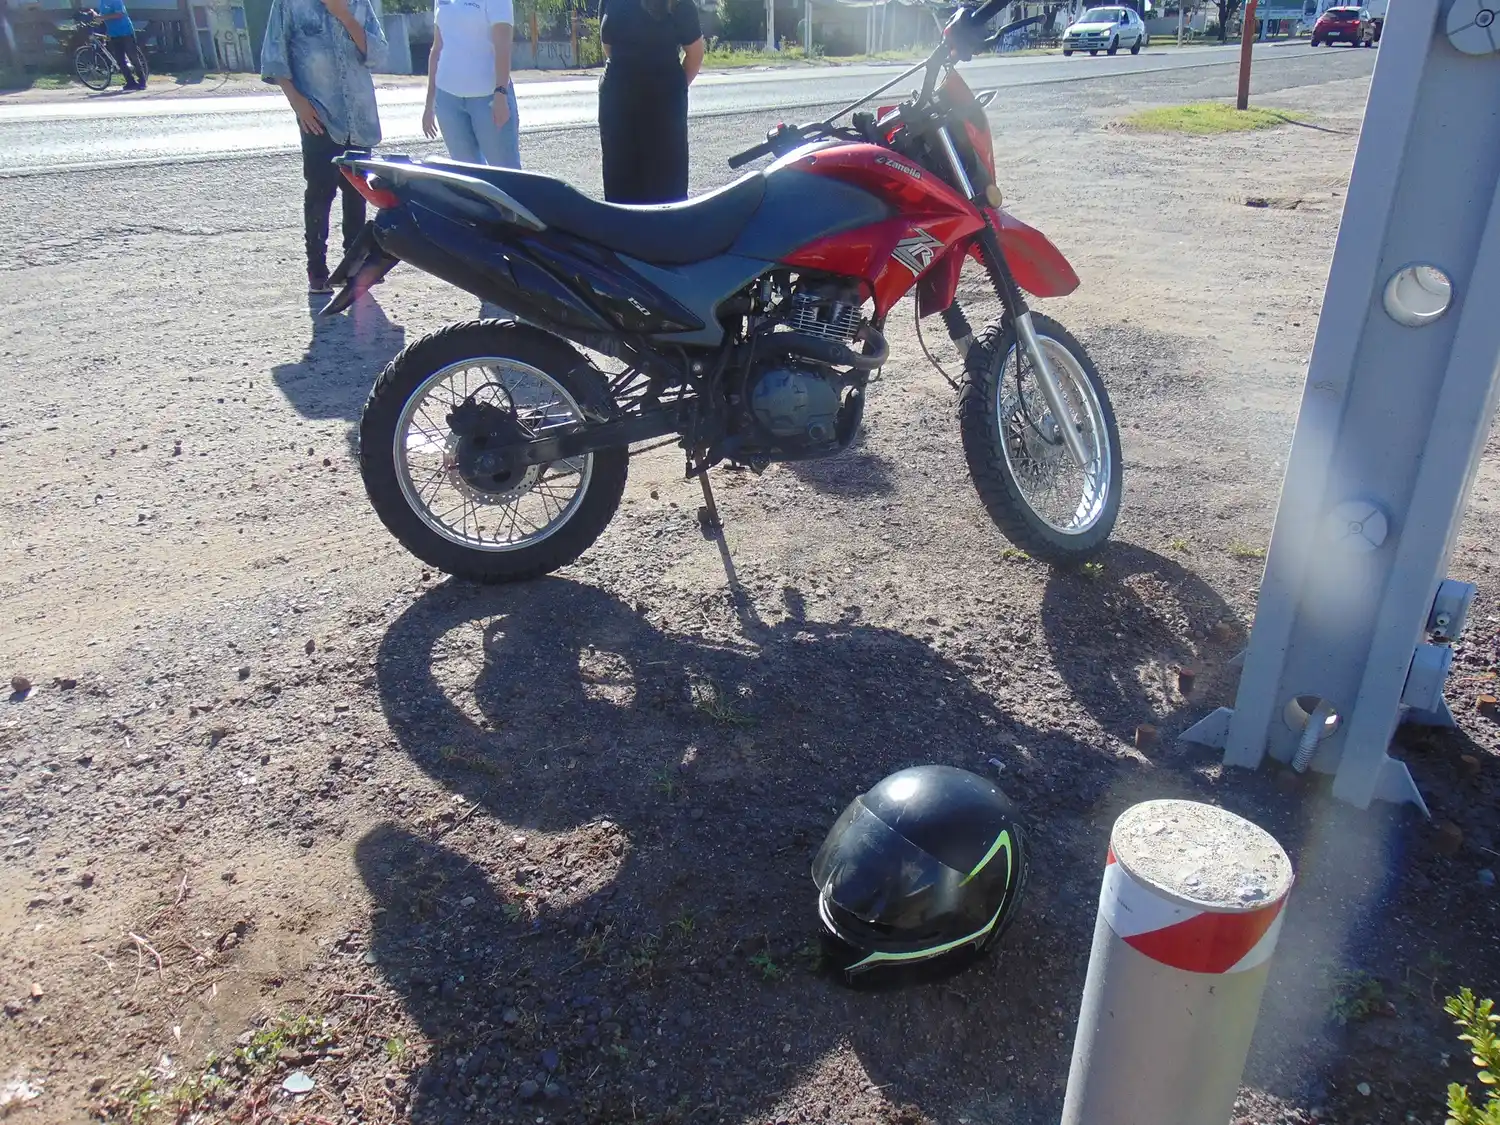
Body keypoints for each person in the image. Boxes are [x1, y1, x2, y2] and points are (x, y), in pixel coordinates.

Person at [261, 0, 388, 294]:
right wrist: (297, 103)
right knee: (320, 193)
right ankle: (316, 268)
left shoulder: (358, 3)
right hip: (318, 115)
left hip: (358, 115)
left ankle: (353, 265)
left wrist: (343, 14)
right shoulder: (290, 4)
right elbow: (274, 56)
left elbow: (378, 53)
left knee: (357, 193)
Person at [597, 0, 705, 204]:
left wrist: (670, 90)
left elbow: (695, 54)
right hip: (617, 104)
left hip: (664, 107)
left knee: (666, 192)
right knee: (620, 189)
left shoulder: (679, 3)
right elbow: (608, 45)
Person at [421, 0, 520, 168]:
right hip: (448, 101)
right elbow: (437, 48)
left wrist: (501, 93)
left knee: (506, 174)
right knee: (467, 176)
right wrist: (429, 103)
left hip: (488, 99)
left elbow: (502, 46)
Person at [88, 0, 147, 91]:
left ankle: (142, 81)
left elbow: (119, 14)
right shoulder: (102, 2)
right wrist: (95, 15)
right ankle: (130, 82)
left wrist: (102, 17)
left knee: (133, 57)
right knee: (120, 60)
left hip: (125, 32)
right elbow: (102, 17)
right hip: (114, 34)